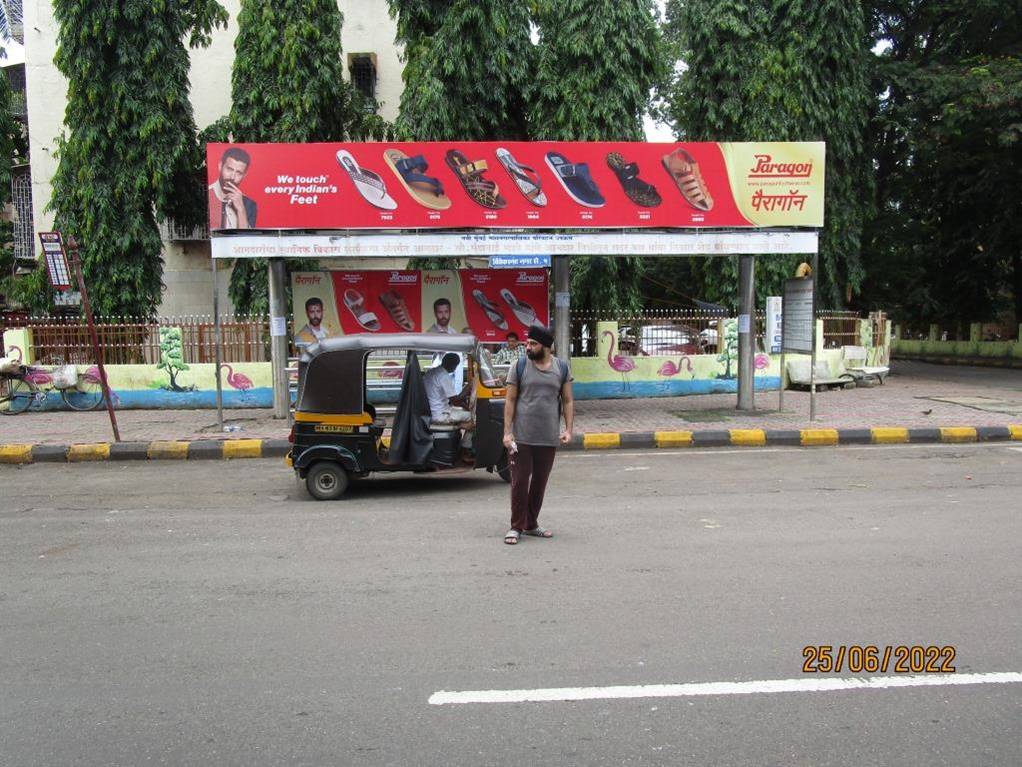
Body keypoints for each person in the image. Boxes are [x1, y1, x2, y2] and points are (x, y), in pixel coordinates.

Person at [501, 324, 573, 545]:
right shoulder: (520, 366)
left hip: (548, 437)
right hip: (521, 437)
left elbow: (568, 400)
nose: (527, 347)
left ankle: (531, 524)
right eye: (527, 343)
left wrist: (568, 429)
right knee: (520, 482)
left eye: (533, 344)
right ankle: (516, 526)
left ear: (546, 347)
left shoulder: (562, 368)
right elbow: (510, 400)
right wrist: (507, 433)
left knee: (540, 482)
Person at [423, 352, 474, 450]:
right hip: (440, 414)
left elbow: (452, 400)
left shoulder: (431, 372)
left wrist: (465, 407)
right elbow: (455, 401)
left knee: (463, 413)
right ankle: (465, 447)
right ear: (453, 365)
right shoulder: (444, 376)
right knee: (474, 418)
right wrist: (468, 388)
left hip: (433, 411)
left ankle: (460, 427)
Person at [208, 146, 258, 229]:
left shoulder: (249, 204)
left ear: (244, 175)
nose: (232, 177)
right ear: (220, 166)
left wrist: (241, 209)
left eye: (238, 173)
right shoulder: (208, 195)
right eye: (229, 169)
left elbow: (247, 239)